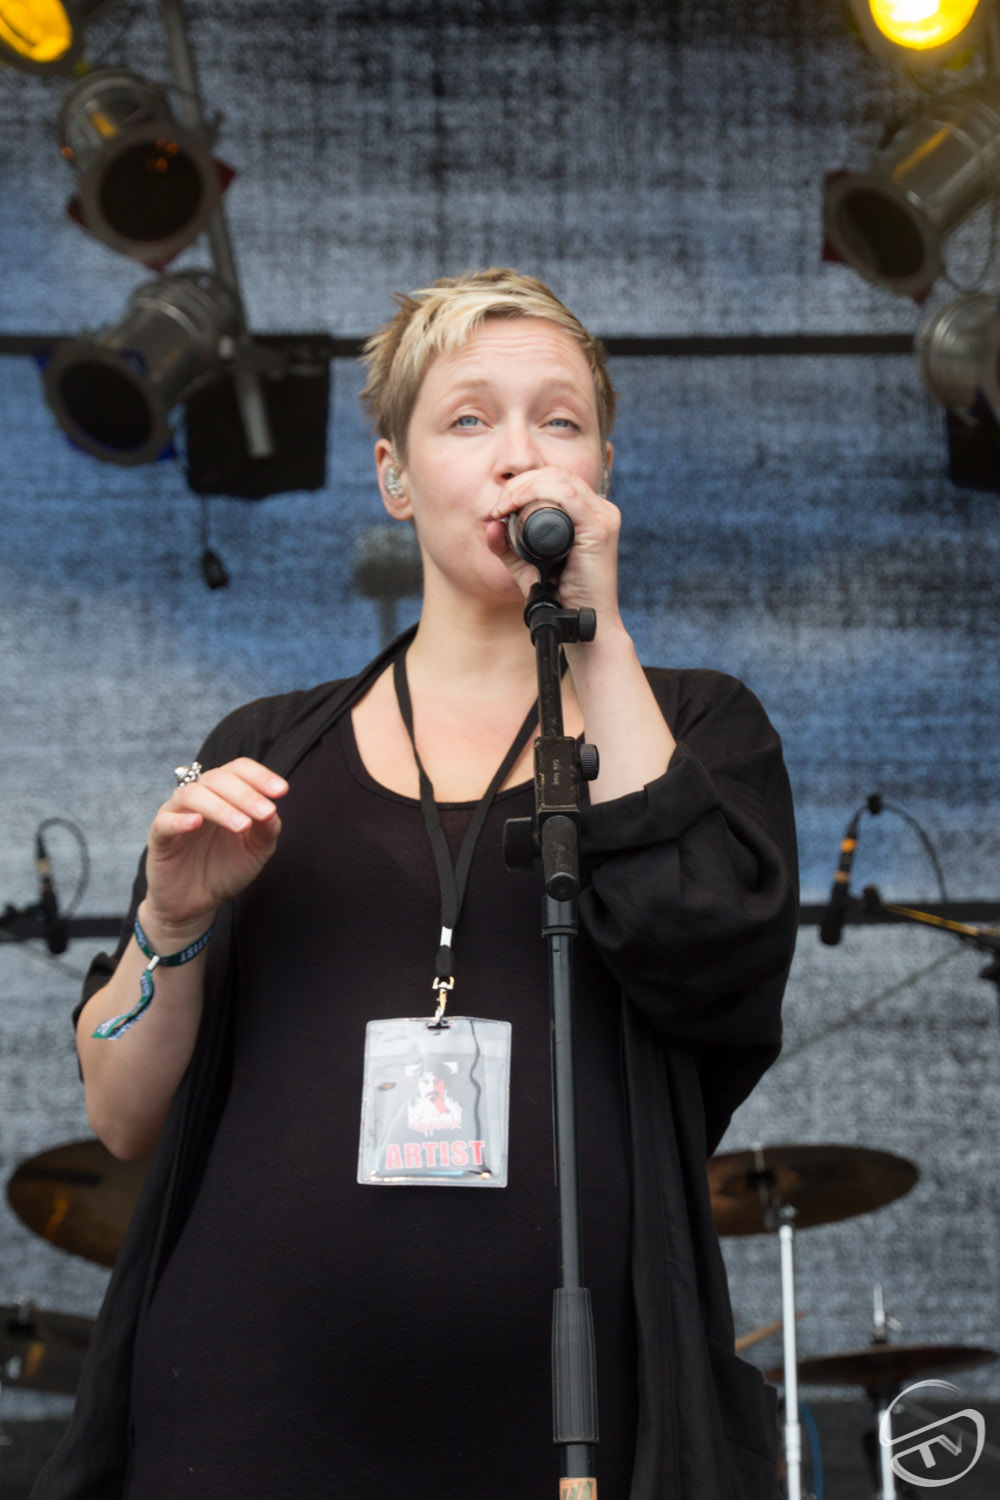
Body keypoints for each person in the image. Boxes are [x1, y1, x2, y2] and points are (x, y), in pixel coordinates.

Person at [34, 268, 798, 1500]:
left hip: (577, 1423)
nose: (519, 454)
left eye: (560, 421)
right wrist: (170, 918)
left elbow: (714, 959)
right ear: (394, 476)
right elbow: (123, 1117)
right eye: (468, 418)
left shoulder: (693, 728)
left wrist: (595, 630)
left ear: (602, 471)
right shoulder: (269, 747)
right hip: (247, 1412)